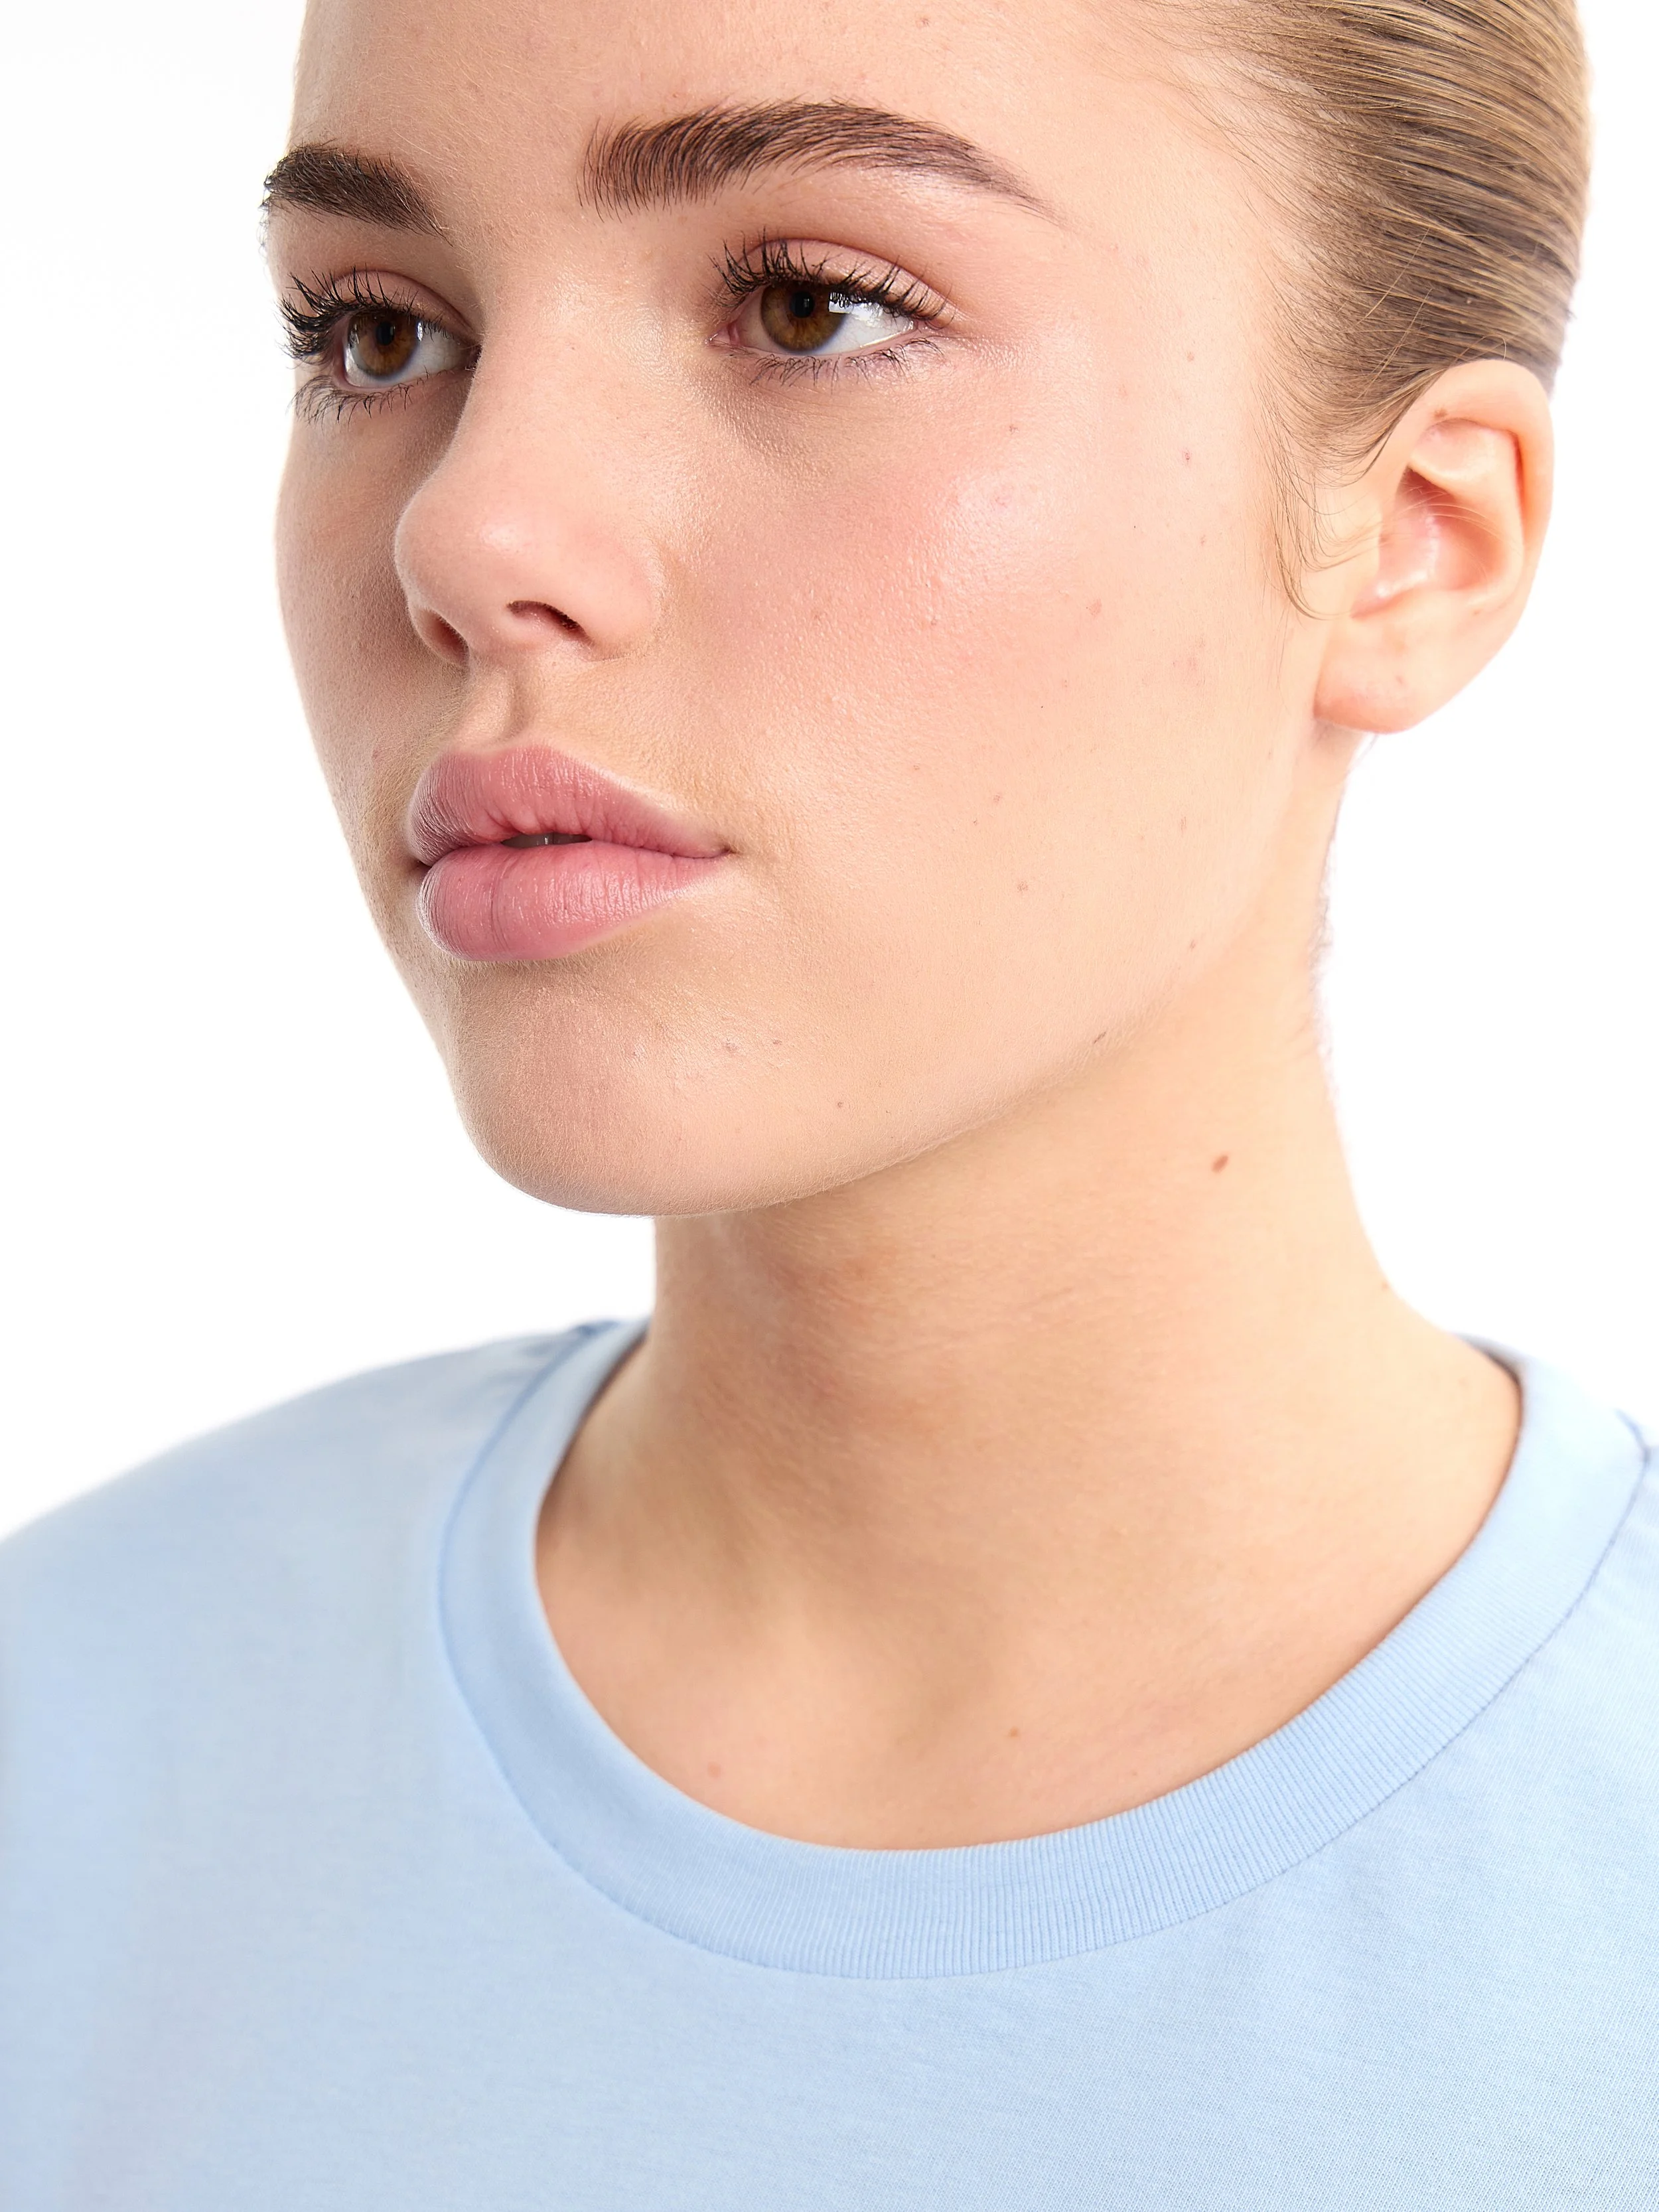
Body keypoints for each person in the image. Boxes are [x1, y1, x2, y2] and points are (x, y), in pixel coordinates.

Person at [3, 0, 1652, 2201]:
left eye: (812, 307)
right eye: (378, 332)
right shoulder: (64, 1764)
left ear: (1416, 534)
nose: (468, 531)